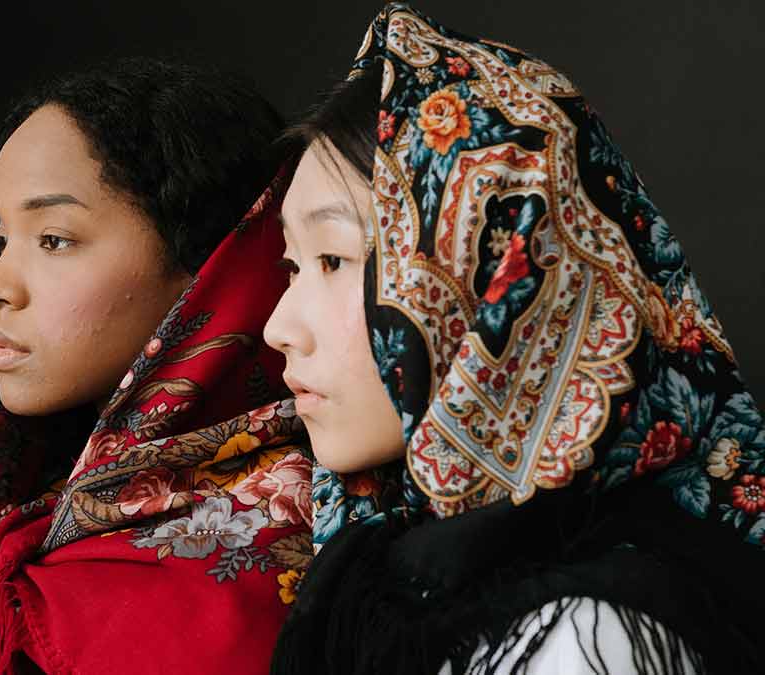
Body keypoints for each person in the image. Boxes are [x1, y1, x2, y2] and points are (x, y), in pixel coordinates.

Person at [265, 5, 765, 673]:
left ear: (499, 280)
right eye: (293, 266)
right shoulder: (374, 565)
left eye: (333, 259)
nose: (278, 327)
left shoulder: (584, 637)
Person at [0, 58, 313, 674]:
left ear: (209, 263)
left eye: (54, 239)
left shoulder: (233, 580)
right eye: (3, 239)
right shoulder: (64, 514)